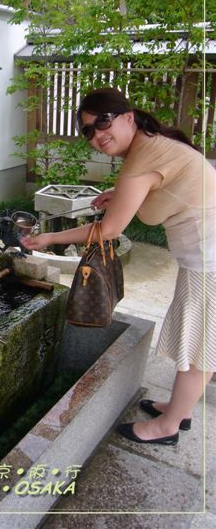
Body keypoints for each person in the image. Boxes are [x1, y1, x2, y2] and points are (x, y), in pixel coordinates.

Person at [21, 87, 216, 446]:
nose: (97, 134)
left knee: (200, 345)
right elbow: (164, 187)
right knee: (198, 337)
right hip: (204, 257)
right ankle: (180, 408)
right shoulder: (152, 144)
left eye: (103, 121)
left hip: (209, 262)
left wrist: (47, 240)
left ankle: (169, 426)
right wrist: (121, 193)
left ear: (128, 116)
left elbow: (109, 229)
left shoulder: (142, 158)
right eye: (88, 131)